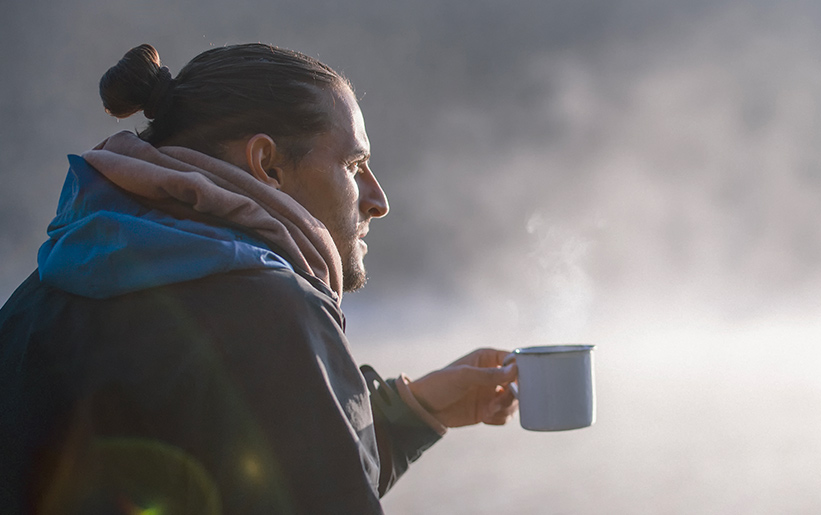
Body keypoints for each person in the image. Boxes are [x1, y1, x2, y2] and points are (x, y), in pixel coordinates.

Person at [0, 43, 517, 514]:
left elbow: (252, 471)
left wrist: (415, 409)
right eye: (354, 164)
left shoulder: (39, 294)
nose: (378, 200)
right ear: (267, 164)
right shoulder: (271, 308)